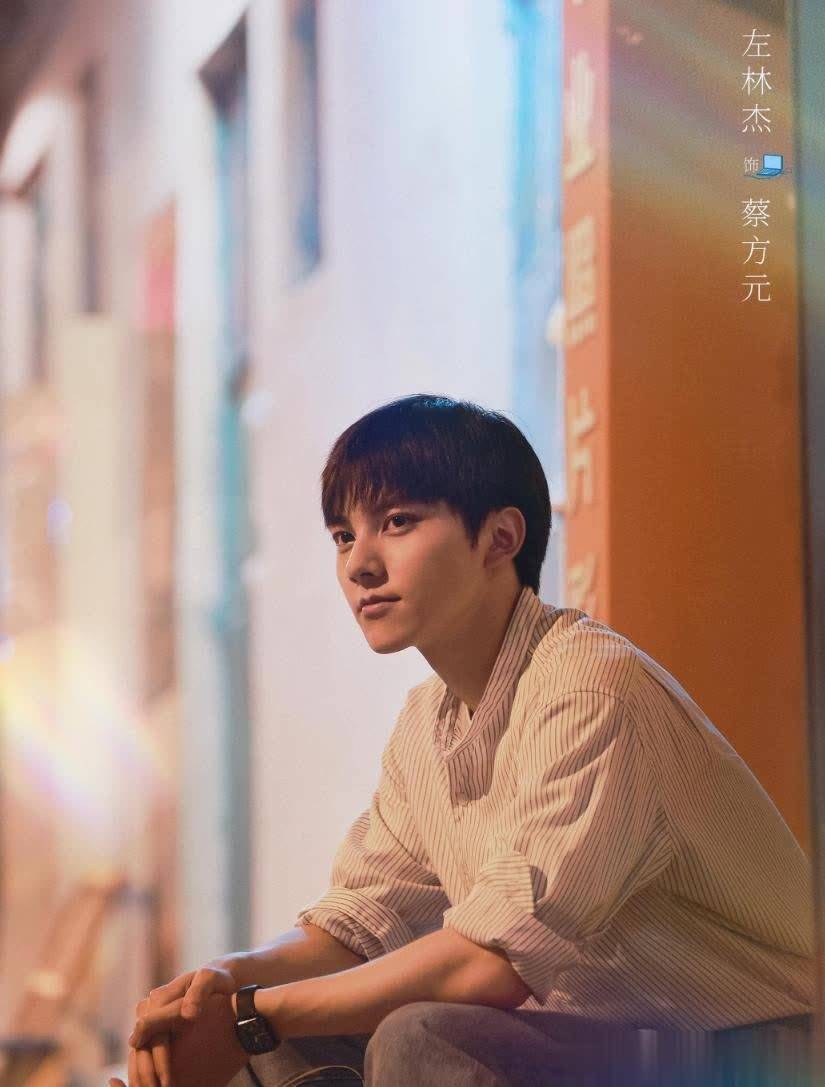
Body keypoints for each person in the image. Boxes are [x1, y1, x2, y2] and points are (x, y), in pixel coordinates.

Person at [113, 394, 815, 1087]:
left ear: (500, 539)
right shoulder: (428, 721)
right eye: (344, 535)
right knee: (269, 1043)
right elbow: (358, 927)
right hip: (615, 1047)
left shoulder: (591, 690)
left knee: (412, 1038)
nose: (359, 564)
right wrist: (222, 981)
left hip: (758, 1054)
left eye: (397, 522)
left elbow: (491, 962)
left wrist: (253, 1014)